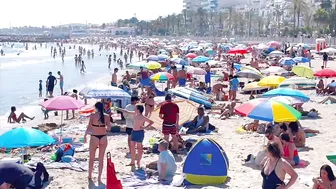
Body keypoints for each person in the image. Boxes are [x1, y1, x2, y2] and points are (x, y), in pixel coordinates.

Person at [84, 102, 111, 182]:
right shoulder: (106, 116)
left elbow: (89, 127)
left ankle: (90, 175)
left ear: (96, 108)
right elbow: (109, 128)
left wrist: (85, 136)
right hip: (103, 137)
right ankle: (99, 177)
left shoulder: (92, 115)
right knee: (101, 158)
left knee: (92, 157)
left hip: (94, 137)